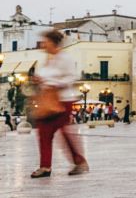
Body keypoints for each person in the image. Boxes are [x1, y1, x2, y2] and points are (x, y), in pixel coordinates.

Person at [32, 29, 89, 178]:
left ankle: (79, 162)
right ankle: (45, 166)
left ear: (53, 42)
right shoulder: (46, 60)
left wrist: (55, 84)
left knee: (64, 132)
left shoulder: (65, 58)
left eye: (46, 41)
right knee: (44, 133)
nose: (43, 44)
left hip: (63, 100)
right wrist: (39, 80)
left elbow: (71, 77)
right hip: (47, 100)